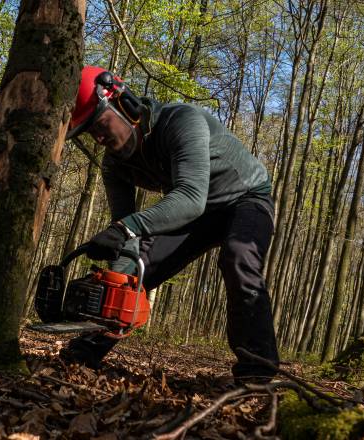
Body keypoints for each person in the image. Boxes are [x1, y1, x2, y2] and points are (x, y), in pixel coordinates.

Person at [59, 66, 280, 384]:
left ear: (124, 103)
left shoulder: (181, 121)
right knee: (136, 268)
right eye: (89, 133)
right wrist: (121, 257)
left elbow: (190, 197)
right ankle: (84, 353)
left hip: (245, 198)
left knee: (238, 257)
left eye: (99, 123)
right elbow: (128, 232)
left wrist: (125, 229)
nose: (99, 137)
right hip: (197, 214)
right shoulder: (114, 164)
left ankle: (257, 372)